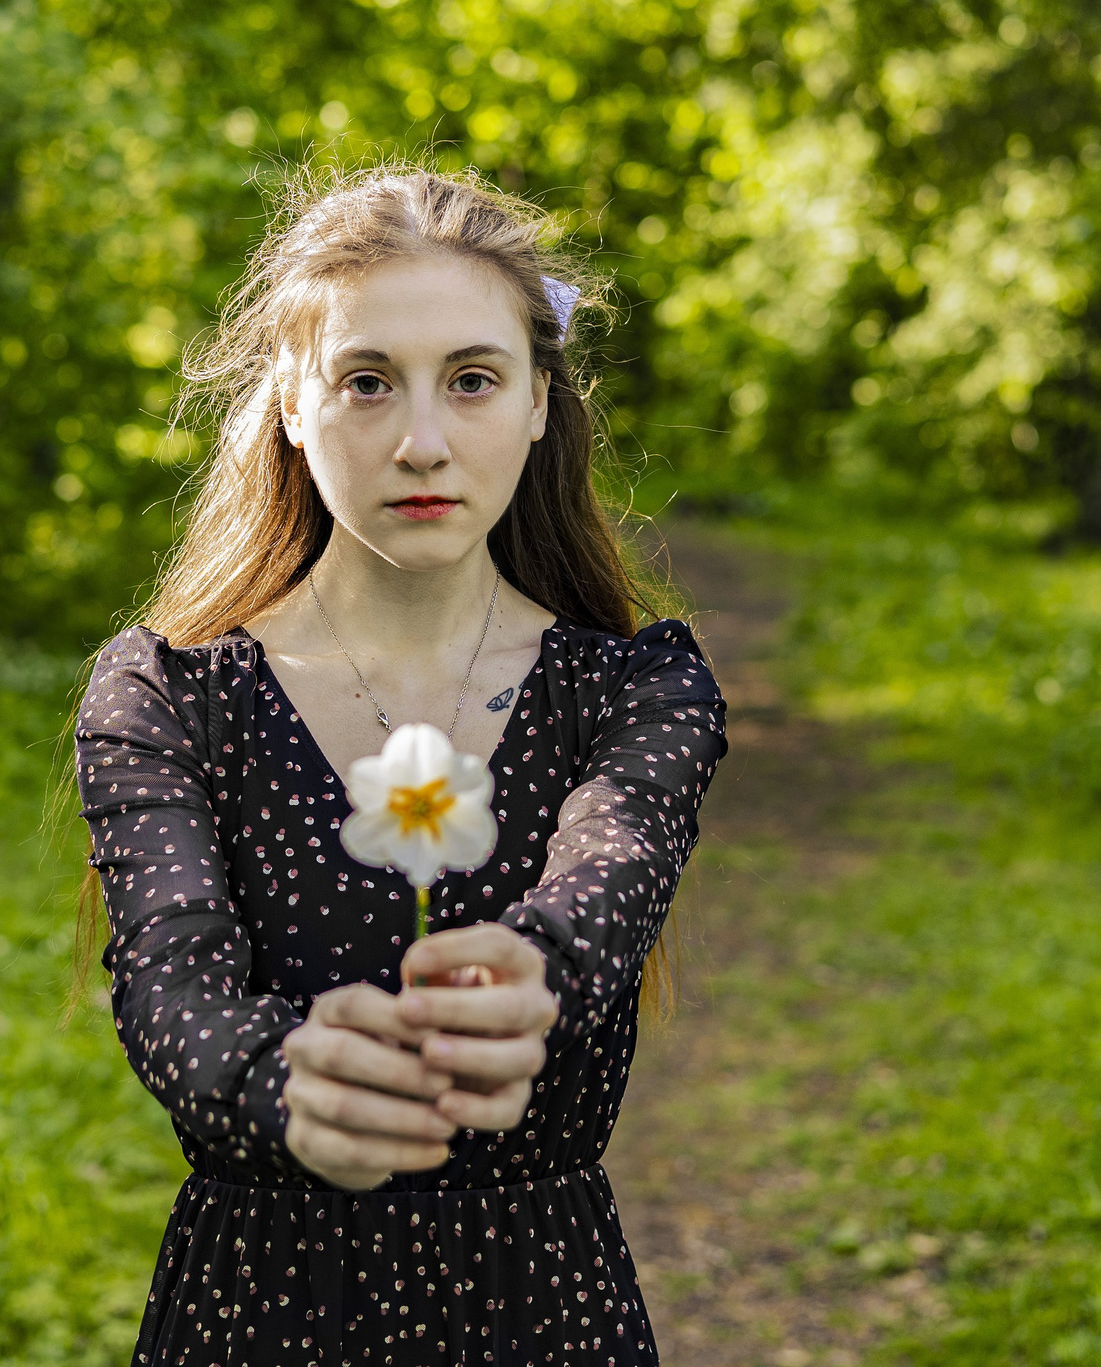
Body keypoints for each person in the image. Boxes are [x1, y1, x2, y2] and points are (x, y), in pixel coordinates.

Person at [70, 165, 727, 1364]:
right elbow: (172, 991)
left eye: (472, 381)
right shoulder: (169, 697)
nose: (422, 442)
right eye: (367, 382)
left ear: (538, 402)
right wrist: (280, 1084)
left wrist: (533, 978)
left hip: (542, 1315)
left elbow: (605, 886)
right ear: (288, 400)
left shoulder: (635, 691)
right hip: (260, 1314)